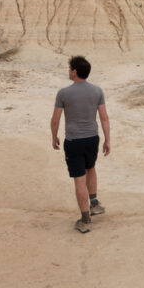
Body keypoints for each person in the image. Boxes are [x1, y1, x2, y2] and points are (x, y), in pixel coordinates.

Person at [51, 56, 111, 233]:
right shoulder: (97, 91)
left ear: (74, 72)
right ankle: (94, 204)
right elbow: (104, 117)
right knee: (90, 168)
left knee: (79, 178)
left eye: (70, 69)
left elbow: (55, 119)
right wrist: (107, 139)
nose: (69, 71)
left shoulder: (63, 93)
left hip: (74, 141)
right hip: (92, 138)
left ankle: (85, 220)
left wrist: (54, 137)